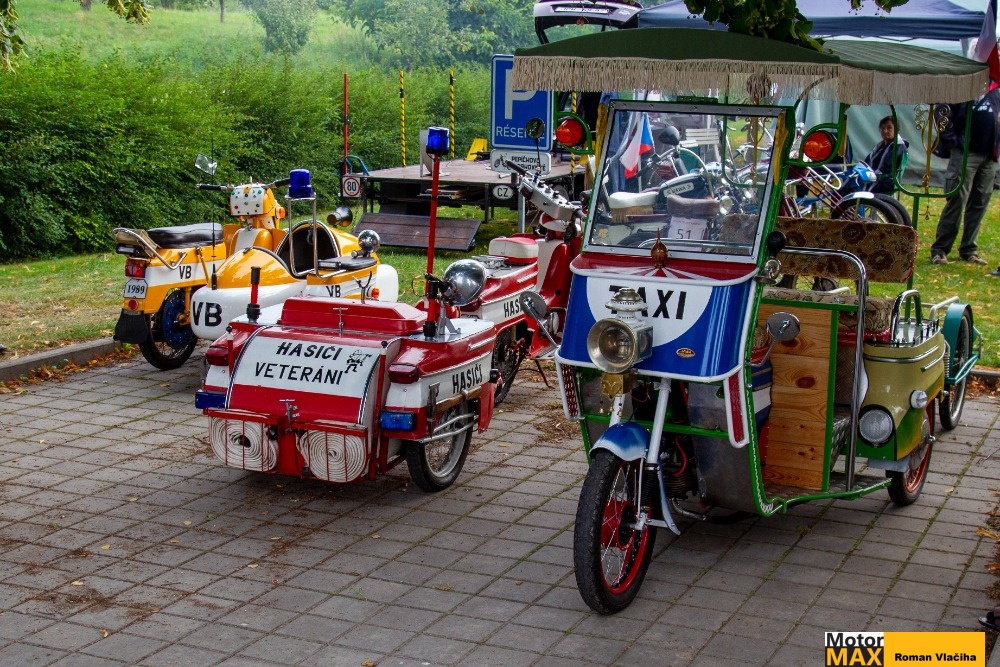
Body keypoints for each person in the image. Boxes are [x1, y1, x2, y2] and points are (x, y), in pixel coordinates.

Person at [930, 89, 1000, 265]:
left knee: (980, 202)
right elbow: (942, 111)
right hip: (965, 153)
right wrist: (952, 142)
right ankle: (940, 250)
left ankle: (969, 250)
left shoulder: (995, 91)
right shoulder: (963, 86)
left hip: (989, 155)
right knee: (957, 199)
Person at [863, 115, 909, 195]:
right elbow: (867, 162)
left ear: (897, 131)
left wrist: (872, 175)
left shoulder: (898, 147)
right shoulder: (880, 146)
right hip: (873, 179)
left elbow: (887, 169)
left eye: (889, 128)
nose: (885, 131)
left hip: (884, 184)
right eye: (882, 128)